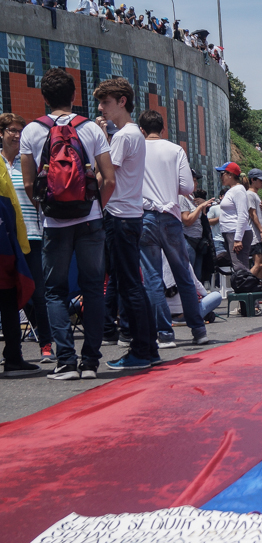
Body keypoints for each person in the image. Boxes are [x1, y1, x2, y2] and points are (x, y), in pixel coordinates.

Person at [93, 77, 156, 371]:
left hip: (119, 215)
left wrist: (98, 207)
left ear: (122, 102)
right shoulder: (132, 134)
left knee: (129, 285)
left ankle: (143, 349)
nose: (101, 108)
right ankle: (146, 346)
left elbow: (106, 177)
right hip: (129, 214)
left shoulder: (124, 136)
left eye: (106, 102)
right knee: (132, 284)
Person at [137, 109, 209, 350]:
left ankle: (164, 334)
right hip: (171, 216)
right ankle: (198, 330)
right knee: (183, 275)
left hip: (145, 216)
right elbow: (187, 186)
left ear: (141, 129)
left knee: (153, 278)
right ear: (163, 129)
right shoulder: (175, 149)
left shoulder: (136, 149)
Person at [1, 113, 53, 364]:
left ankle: (46, 344)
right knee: (9, 294)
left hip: (32, 235)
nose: (17, 135)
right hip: (5, 241)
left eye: (20, 131)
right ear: (1, 134)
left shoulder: (28, 163)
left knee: (38, 292)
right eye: (12, 130)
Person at [0, 147, 40, 376]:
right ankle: (13, 357)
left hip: (5, 241)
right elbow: (10, 204)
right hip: (5, 240)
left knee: (8, 299)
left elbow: (11, 204)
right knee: (7, 300)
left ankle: (14, 356)